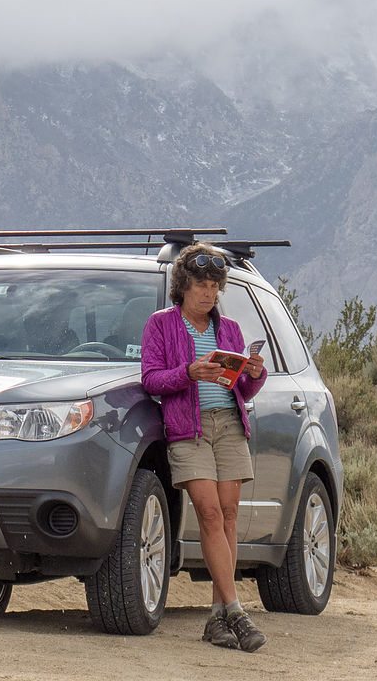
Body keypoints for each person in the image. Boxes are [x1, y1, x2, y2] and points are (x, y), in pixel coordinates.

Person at [140, 243, 268, 652]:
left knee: (229, 516)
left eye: (214, 285)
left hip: (229, 425)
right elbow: (151, 380)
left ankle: (217, 618)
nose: (208, 293)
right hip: (187, 430)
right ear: (183, 287)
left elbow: (242, 390)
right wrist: (189, 372)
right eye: (200, 285)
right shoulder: (160, 325)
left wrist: (255, 373)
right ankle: (236, 611)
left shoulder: (228, 329)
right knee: (210, 513)